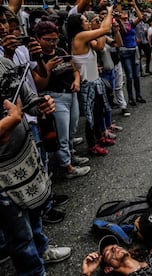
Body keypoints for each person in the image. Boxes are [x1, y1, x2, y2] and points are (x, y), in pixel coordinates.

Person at [0, 57, 71, 276]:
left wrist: (43, 103)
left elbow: (28, 98)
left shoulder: (4, 63)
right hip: (2, 171)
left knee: (34, 212)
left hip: (25, 154)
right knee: (19, 233)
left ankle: (42, 250)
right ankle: (33, 271)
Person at [34, 19, 91, 179]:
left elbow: (75, 69)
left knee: (72, 130)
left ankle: (71, 156)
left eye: (54, 39)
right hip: (55, 97)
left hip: (71, 95)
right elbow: (39, 86)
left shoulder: (60, 51)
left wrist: (76, 81)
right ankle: (68, 168)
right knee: (62, 135)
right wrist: (48, 68)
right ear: (38, 38)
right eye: (48, 40)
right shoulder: (37, 58)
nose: (52, 43)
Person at [67, 6, 115, 156]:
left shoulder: (86, 39)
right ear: (78, 25)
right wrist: (108, 13)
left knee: (98, 112)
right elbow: (106, 30)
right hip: (87, 85)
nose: (87, 23)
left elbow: (100, 46)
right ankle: (92, 145)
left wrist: (99, 28)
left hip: (96, 82)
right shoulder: (79, 37)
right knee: (90, 117)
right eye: (84, 21)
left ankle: (100, 137)